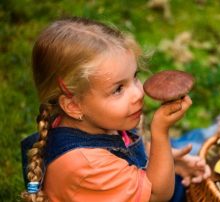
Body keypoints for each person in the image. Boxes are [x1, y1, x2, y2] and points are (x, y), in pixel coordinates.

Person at [20, 17, 209, 202]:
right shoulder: (86, 167)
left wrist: (168, 160)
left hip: (140, 181)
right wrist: (160, 132)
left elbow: (128, 148)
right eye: (118, 89)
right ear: (73, 105)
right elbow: (157, 195)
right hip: (155, 191)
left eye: (135, 76)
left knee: (206, 152)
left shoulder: (100, 120)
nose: (138, 93)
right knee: (205, 146)